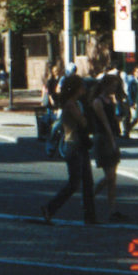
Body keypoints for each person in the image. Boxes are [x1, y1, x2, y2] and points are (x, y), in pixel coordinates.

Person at [42, 74, 96, 225]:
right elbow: (83, 122)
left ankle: (90, 216)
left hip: (79, 144)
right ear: (76, 88)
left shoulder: (76, 103)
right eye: (82, 86)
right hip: (73, 144)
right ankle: (50, 208)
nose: (84, 88)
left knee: (88, 182)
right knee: (74, 183)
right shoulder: (71, 104)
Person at [90, 73, 126, 221]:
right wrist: (112, 141)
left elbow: (114, 119)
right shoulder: (97, 102)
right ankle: (89, 196)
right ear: (105, 85)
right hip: (103, 138)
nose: (114, 89)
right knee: (109, 176)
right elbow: (104, 122)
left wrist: (120, 109)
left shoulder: (111, 100)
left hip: (111, 136)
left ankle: (112, 210)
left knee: (113, 178)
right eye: (113, 86)